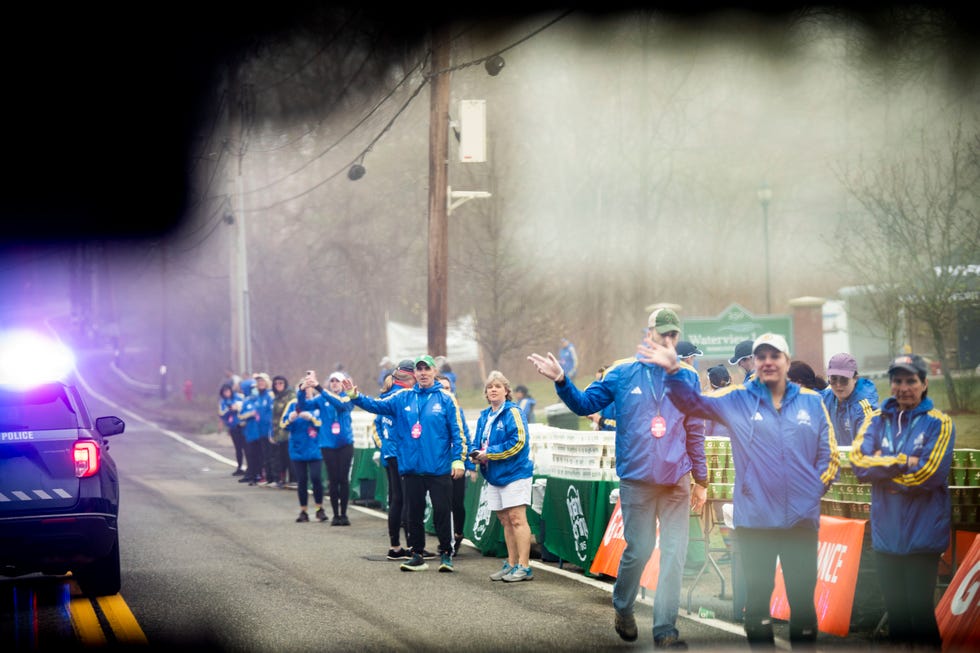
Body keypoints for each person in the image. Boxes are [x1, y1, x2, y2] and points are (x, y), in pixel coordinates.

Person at [638, 332, 840, 649]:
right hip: (755, 519)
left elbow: (829, 456)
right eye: (761, 357)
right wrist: (674, 372)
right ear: (754, 363)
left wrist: (810, 493)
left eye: (775, 356)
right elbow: (691, 404)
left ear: (787, 361)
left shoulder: (812, 403)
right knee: (757, 602)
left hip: (800, 521)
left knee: (802, 602)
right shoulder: (737, 400)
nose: (768, 362)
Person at [528, 307, 707, 649]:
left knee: (674, 553)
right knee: (639, 549)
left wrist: (701, 478)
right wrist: (562, 381)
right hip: (637, 480)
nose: (668, 339)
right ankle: (623, 607)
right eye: (662, 333)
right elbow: (583, 405)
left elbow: (694, 430)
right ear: (648, 333)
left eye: (673, 334)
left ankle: (665, 629)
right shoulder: (622, 373)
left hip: (676, 481)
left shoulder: (687, 377)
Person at [850, 354, 954, 651]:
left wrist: (883, 475)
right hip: (886, 534)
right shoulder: (875, 420)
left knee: (920, 613)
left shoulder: (939, 423)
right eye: (897, 380)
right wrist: (901, 460)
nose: (903, 387)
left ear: (924, 384)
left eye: (911, 380)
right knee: (896, 614)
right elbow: (858, 463)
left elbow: (930, 474)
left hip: (924, 535)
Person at [343, 354, 467, 574]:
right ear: (415, 374)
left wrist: (458, 458)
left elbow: (457, 433)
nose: (423, 373)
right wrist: (355, 396)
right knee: (414, 513)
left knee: (441, 511)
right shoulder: (403, 398)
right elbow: (375, 406)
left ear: (434, 372)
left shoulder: (446, 399)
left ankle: (446, 554)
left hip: (438, 467)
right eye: (419, 370)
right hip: (411, 467)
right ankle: (417, 554)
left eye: (427, 369)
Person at [471, 370, 535, 583]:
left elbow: (519, 442)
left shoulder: (513, 412)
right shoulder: (484, 415)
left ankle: (525, 566)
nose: (493, 390)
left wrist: (490, 453)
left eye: (498, 386)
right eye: (490, 387)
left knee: (517, 518)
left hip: (515, 473)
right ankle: (512, 562)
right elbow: (477, 442)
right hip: (493, 475)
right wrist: (474, 456)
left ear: (506, 391)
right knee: (505, 520)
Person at [370, 360, 415, 560]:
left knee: (397, 499)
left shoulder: (387, 397)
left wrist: (384, 445)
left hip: (390, 453)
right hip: (401, 454)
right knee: (405, 500)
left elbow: (378, 425)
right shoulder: (403, 397)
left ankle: (395, 546)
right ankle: (411, 546)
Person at [299, 370, 355, 526]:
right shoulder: (322, 399)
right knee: (333, 479)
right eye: (332, 381)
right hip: (327, 445)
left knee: (343, 479)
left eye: (337, 381)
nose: (335, 384)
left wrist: (319, 388)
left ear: (343, 383)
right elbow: (303, 405)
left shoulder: (348, 397)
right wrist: (302, 390)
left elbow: (340, 405)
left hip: (345, 444)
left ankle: (343, 514)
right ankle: (335, 515)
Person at [437, 373, 476, 556]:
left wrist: (470, 465)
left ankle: (458, 533)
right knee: (442, 504)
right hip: (439, 464)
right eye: (442, 387)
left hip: (456, 463)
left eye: (448, 388)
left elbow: (465, 437)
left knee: (457, 503)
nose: (445, 391)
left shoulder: (456, 409)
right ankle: (445, 541)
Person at [281, 386, 327, 522]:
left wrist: (312, 418)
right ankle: (303, 511)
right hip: (297, 448)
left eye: (309, 389)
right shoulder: (292, 404)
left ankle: (319, 508)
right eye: (304, 389)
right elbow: (283, 425)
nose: (307, 391)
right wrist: (290, 419)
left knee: (316, 478)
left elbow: (324, 425)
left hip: (315, 448)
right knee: (302, 481)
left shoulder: (317, 403)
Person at [821, 352, 879, 447]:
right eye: (834, 379)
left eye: (844, 379)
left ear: (855, 379)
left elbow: (870, 444)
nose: (838, 385)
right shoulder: (824, 399)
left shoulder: (864, 406)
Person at [237, 377, 266, 486]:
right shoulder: (246, 401)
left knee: (261, 455)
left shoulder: (261, 398)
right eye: (252, 387)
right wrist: (249, 415)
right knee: (251, 455)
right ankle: (252, 475)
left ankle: (260, 475)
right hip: (250, 433)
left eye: (255, 387)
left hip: (261, 432)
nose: (255, 389)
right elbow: (240, 416)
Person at [269, 374, 295, 488]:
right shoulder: (276, 397)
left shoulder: (290, 396)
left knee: (289, 456)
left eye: (281, 383)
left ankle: (293, 480)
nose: (278, 385)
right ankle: (280, 479)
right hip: (277, 431)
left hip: (288, 430)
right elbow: (274, 417)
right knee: (279, 457)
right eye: (276, 384)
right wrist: (272, 432)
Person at [252, 373, 277, 486]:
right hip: (260, 431)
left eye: (262, 381)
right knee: (264, 454)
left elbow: (272, 414)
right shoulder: (258, 397)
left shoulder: (270, 395)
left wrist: (272, 430)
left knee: (272, 455)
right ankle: (267, 477)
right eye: (258, 381)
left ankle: (274, 478)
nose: (260, 383)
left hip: (269, 430)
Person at [218, 382, 246, 476]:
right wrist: (230, 410)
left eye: (228, 391)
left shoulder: (239, 397)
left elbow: (246, 405)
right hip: (233, 427)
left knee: (247, 448)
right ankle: (239, 467)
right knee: (238, 448)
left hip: (243, 425)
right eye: (224, 392)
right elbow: (222, 414)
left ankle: (250, 468)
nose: (226, 393)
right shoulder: (222, 401)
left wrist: (238, 408)